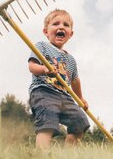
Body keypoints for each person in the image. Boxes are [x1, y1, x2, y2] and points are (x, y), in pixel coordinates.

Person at [28, 9, 90, 149]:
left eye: (66, 25)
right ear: (46, 31)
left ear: (70, 34)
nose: (61, 27)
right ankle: (42, 155)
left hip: (65, 96)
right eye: (55, 24)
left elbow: (75, 81)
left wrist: (80, 98)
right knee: (48, 122)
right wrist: (44, 69)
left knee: (80, 122)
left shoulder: (71, 60)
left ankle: (67, 155)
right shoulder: (41, 47)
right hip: (44, 91)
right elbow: (32, 66)